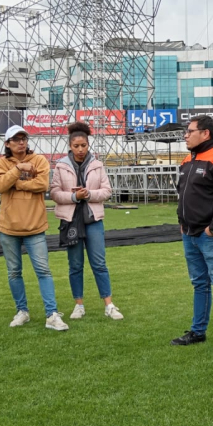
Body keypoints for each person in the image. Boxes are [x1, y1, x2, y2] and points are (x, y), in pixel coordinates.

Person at [171, 115, 213, 358]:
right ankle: (197, 330)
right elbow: (182, 195)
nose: (185, 135)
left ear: (206, 134)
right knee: (199, 283)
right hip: (190, 233)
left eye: (190, 131)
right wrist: (182, 222)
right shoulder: (188, 160)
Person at [0, 125, 68, 331]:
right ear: (7, 144)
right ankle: (22, 311)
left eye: (23, 138)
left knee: (43, 271)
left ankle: (51, 314)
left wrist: (16, 183)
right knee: (14, 272)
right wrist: (18, 170)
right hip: (8, 227)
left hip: (35, 226)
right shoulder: (0, 163)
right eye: (16, 139)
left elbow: (42, 185)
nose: (21, 142)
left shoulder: (39, 160)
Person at [50, 122, 124, 321]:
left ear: (88, 144)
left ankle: (109, 305)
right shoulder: (61, 165)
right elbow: (54, 193)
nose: (81, 149)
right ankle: (78, 305)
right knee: (75, 265)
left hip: (93, 221)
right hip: (70, 221)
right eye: (76, 146)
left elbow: (107, 191)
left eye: (84, 145)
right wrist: (74, 197)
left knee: (99, 263)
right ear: (70, 146)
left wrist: (88, 194)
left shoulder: (97, 165)